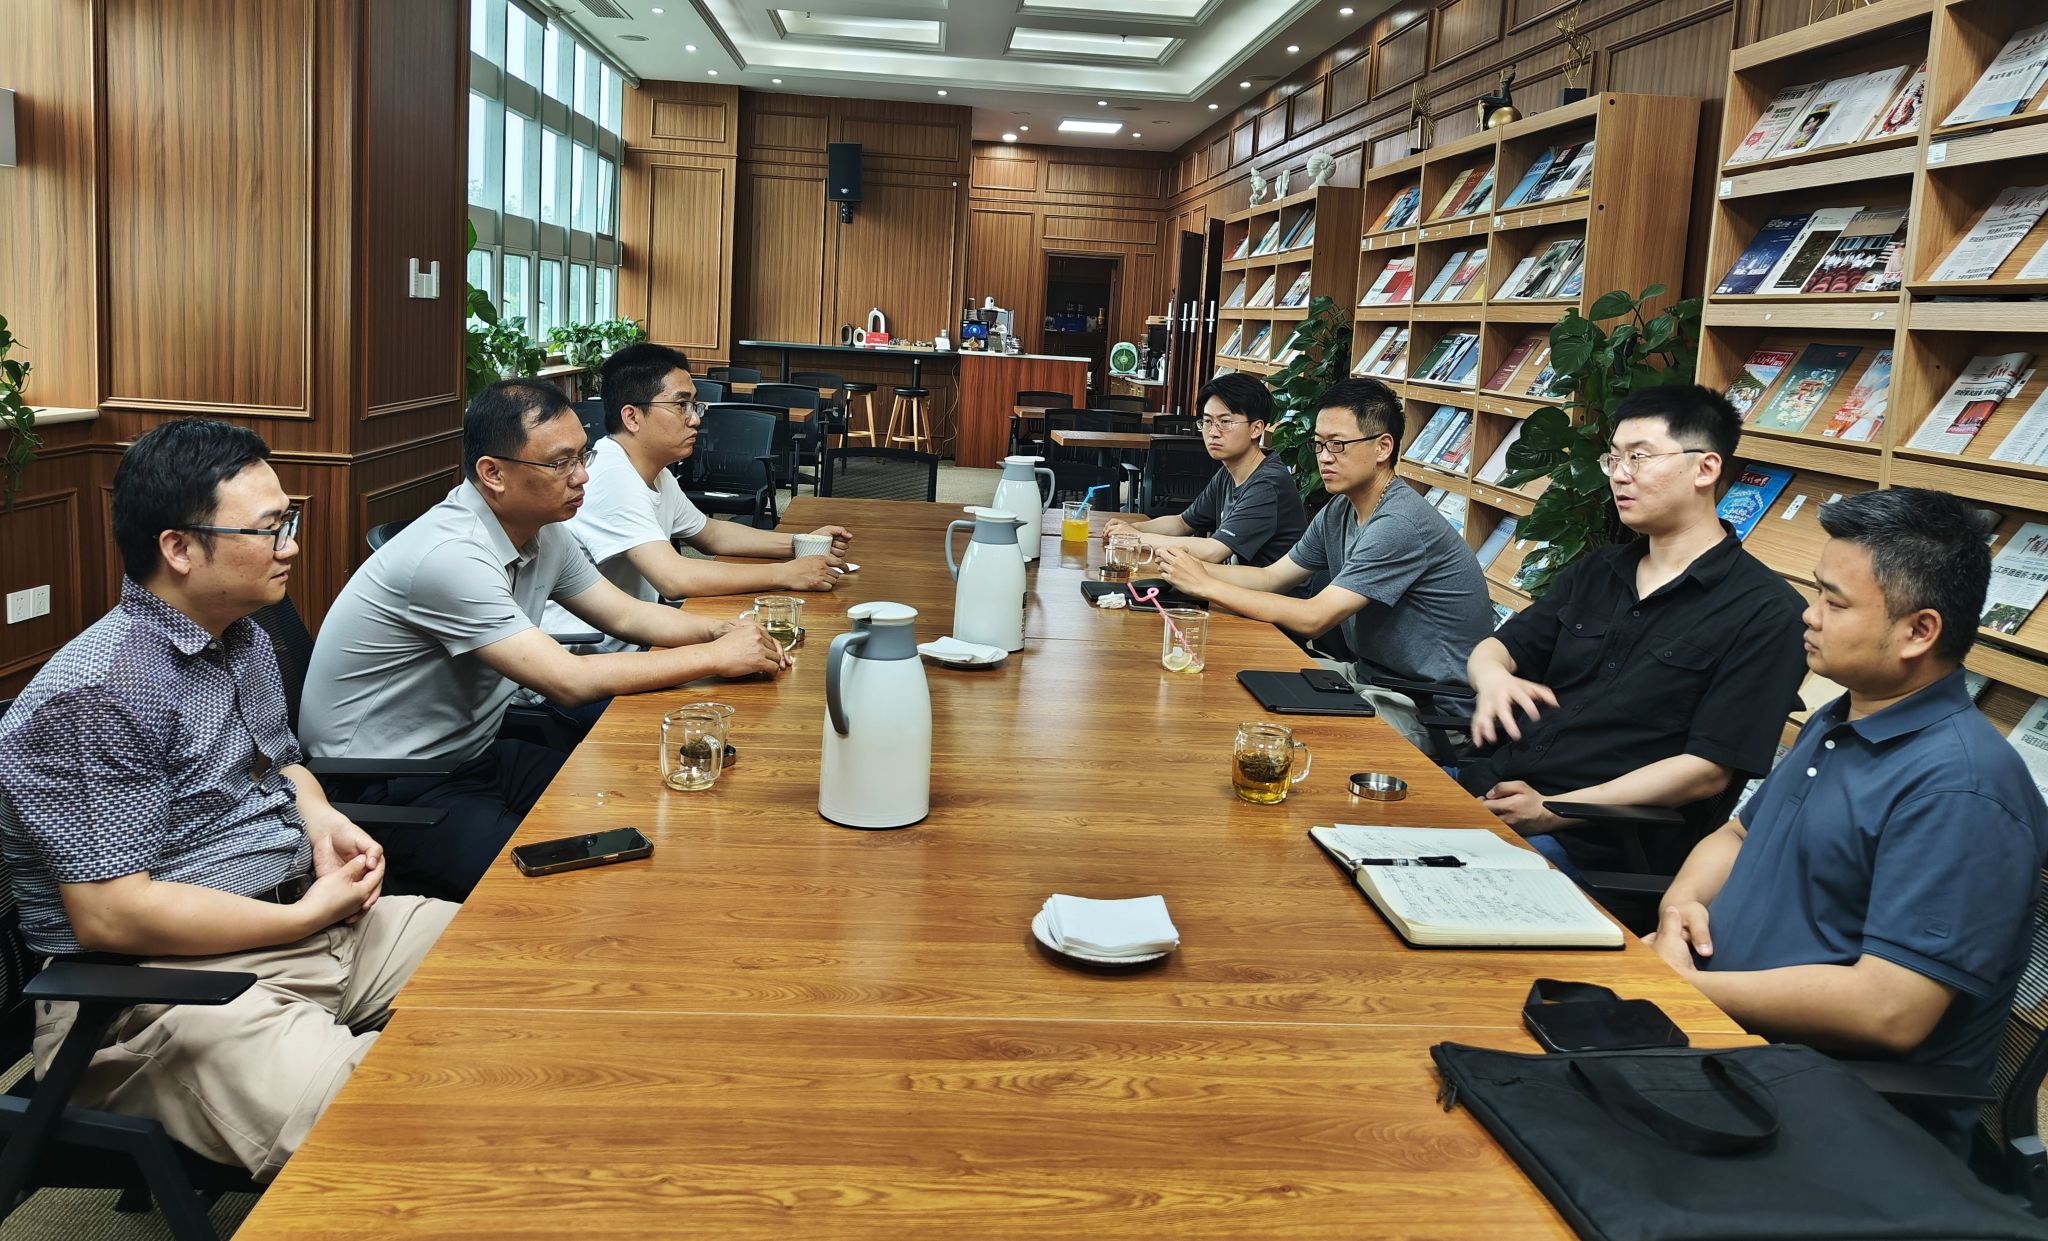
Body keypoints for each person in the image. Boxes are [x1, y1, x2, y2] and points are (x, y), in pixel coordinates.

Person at [0, 418, 458, 1181]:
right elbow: (112, 914)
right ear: (180, 548)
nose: (291, 545)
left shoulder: (240, 636)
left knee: (524, 965)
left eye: (288, 521)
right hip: (153, 993)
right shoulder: (97, 695)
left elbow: (285, 767)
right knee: (395, 1126)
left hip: (308, 928)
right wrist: (300, 917)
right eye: (270, 528)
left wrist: (324, 820)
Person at [1646, 488, 2048, 1153]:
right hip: (1718, 1045)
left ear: (1919, 631)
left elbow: (1890, 1009)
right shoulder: (1844, 718)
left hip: (1828, 1114)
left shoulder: (1962, 790)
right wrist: (1677, 908)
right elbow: (1738, 834)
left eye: (1834, 603)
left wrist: (1692, 985)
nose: (1809, 615)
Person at [302, 379, 787, 900]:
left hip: (473, 754)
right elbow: (568, 681)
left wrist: (722, 631)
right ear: (493, 473)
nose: (582, 476)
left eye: (582, 456)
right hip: (385, 785)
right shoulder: (451, 555)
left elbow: (624, 614)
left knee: (639, 796)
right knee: (561, 889)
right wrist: (714, 656)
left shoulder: (544, 528)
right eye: (560, 463)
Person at [1459, 386, 1808, 877]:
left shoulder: (1768, 612)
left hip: (1595, 845)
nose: (1620, 475)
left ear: (1705, 469)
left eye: (1639, 458)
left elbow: (1707, 770)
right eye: (1614, 458)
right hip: (1488, 786)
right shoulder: (1600, 569)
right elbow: (1499, 647)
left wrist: (1555, 809)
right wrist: (1493, 678)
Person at [1156, 378, 1492, 746]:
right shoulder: (1340, 509)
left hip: (1427, 709)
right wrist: (1186, 569)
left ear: (1383, 447)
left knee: (1271, 734)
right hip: (1369, 678)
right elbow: (1271, 578)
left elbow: (1314, 618)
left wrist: (1206, 584)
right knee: (1233, 679)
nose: (1325, 457)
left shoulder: (1399, 524)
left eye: (1338, 444)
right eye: (1319, 444)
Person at [540, 342, 854, 652]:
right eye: (681, 405)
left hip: (635, 638)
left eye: (695, 405)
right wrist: (787, 573)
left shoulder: (655, 471)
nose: (695, 419)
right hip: (584, 653)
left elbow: (711, 534)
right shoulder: (611, 475)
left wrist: (801, 543)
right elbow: (674, 579)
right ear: (632, 417)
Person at [1101, 373, 1306, 567]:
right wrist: (1133, 528)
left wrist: (1136, 537)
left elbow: (1213, 550)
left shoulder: (1267, 484)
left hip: (1266, 592)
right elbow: (1183, 523)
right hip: (1230, 585)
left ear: (1256, 429)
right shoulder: (1228, 472)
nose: (1213, 432)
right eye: (1207, 422)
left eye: (1225, 422)